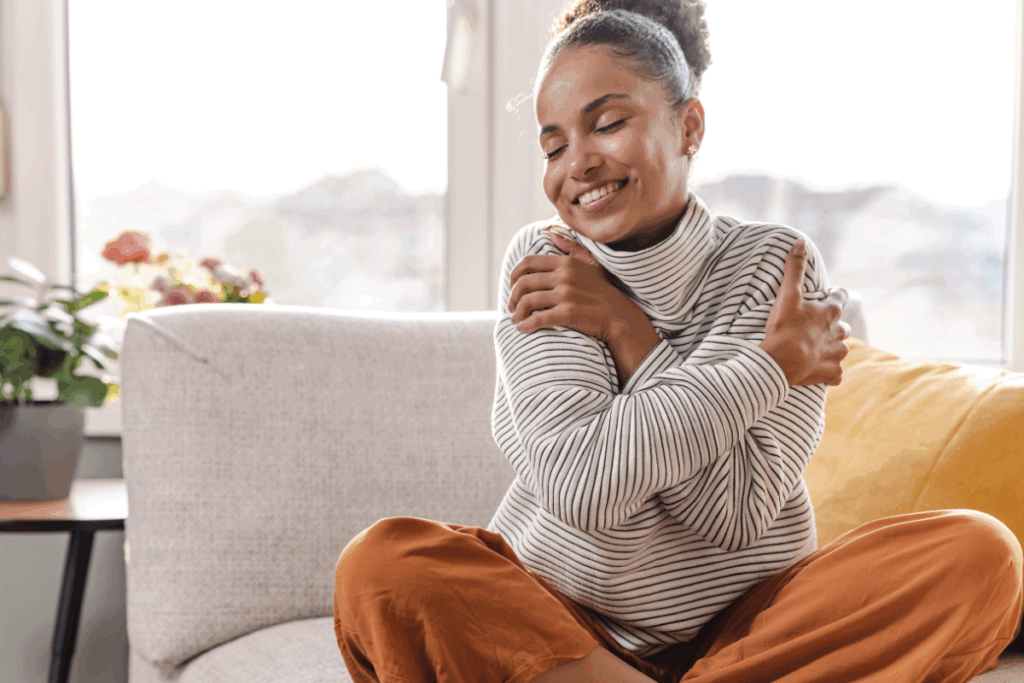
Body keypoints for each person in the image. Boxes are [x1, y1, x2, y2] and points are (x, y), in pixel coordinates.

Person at [333, 1, 1024, 681]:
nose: (578, 163)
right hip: (561, 626)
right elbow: (584, 487)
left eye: (606, 123)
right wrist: (768, 368)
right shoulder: (545, 262)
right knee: (382, 567)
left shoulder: (773, 267)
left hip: (748, 626)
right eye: (554, 145)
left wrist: (628, 331)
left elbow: (736, 514)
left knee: (981, 554)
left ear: (689, 125)